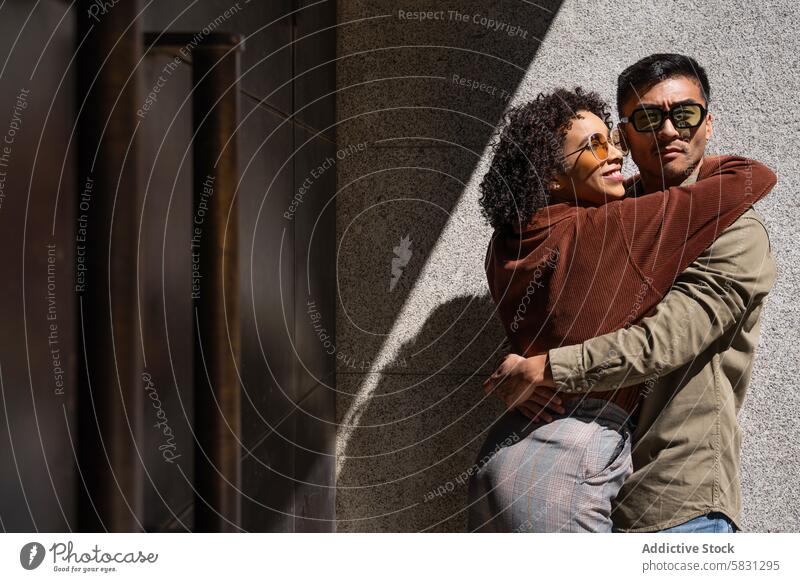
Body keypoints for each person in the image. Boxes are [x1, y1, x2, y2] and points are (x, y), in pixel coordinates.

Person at [469, 59, 775, 532]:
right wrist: (521, 366)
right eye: (648, 119)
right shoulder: (612, 217)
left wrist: (545, 368)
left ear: (708, 123)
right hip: (579, 482)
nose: (669, 130)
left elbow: (662, 340)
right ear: (627, 136)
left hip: (675, 500)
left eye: (687, 115)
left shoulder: (732, 226)